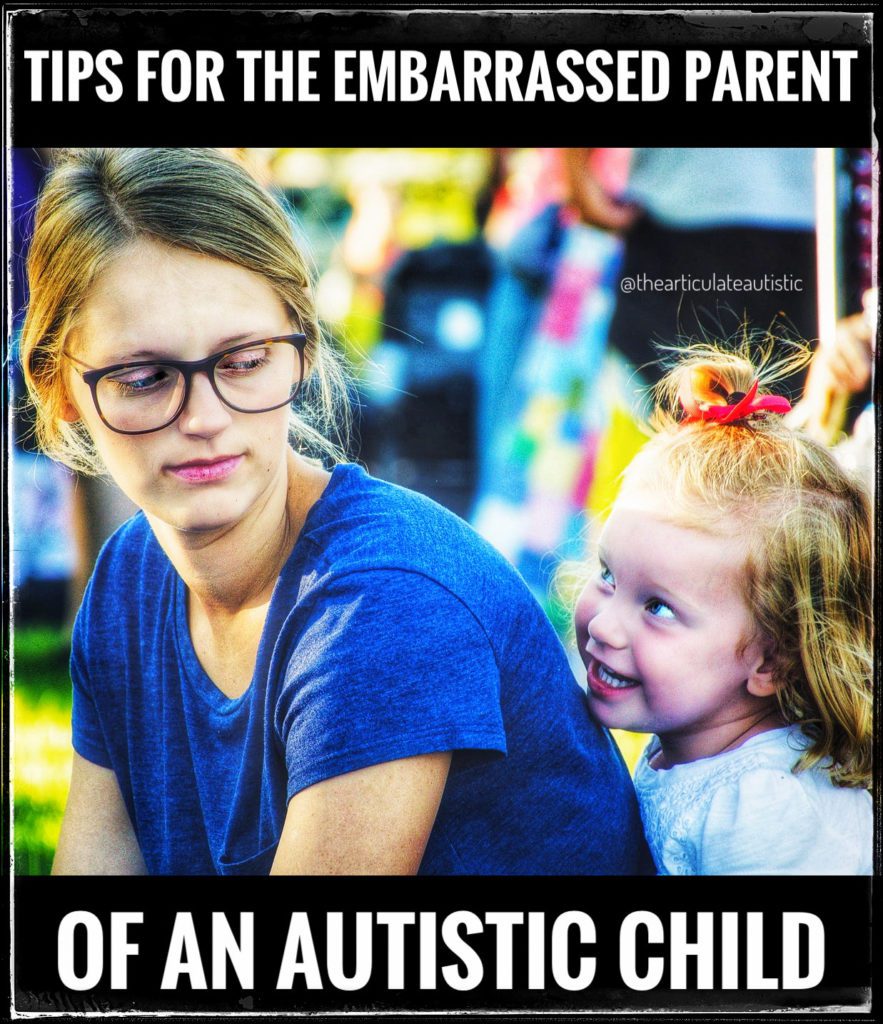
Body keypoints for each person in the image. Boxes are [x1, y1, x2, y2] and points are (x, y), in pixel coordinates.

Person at [20, 148, 652, 876]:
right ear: (62, 390)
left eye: (243, 360)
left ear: (302, 348)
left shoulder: (385, 600)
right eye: (143, 377)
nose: (202, 417)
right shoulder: (129, 577)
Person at [573, 343, 873, 875]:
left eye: (658, 608)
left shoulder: (765, 818)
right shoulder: (696, 739)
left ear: (771, 663)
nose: (602, 624)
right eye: (608, 575)